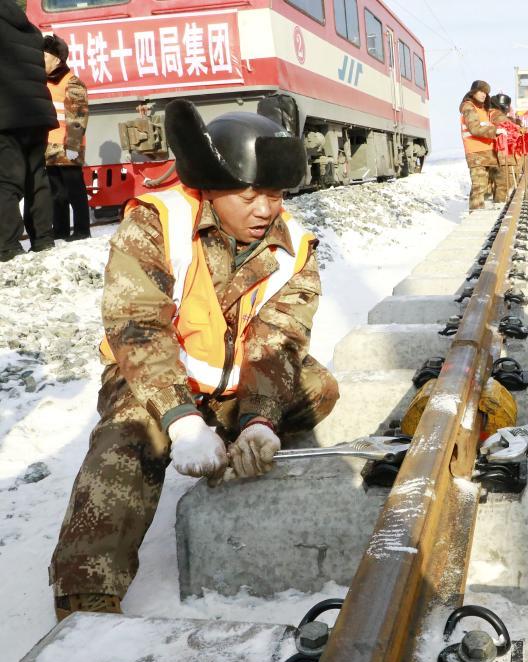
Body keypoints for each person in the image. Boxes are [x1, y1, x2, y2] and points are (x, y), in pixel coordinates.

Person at [49, 100, 339, 620]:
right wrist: (181, 420)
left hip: (230, 387)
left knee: (319, 387)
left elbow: (281, 341)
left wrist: (259, 421)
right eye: (250, 195)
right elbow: (137, 328)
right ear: (212, 186)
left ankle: (234, 443)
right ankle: (86, 594)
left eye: (274, 195)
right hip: (154, 376)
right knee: (133, 432)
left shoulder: (294, 245)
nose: (265, 210)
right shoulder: (157, 222)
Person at [0, 0, 56, 262]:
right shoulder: (31, 31)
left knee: (6, 181)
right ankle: (43, 239)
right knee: (37, 178)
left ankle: (7, 246)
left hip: (6, 116)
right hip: (37, 114)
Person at [39, 34, 91, 241]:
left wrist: (73, 145)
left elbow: (78, 117)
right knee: (56, 192)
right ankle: (60, 230)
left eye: (44, 56)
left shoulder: (72, 83)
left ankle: (81, 230)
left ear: (58, 59)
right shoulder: (45, 83)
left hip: (68, 145)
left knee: (75, 191)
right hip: (49, 146)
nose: (40, 60)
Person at [460, 80, 506, 211]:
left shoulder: (483, 110)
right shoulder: (468, 107)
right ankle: (475, 216)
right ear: (473, 92)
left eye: (486, 92)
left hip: (488, 151)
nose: (484, 94)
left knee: (497, 181)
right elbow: (474, 128)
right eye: (480, 91)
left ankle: (497, 209)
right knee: (479, 187)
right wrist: (495, 131)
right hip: (476, 153)